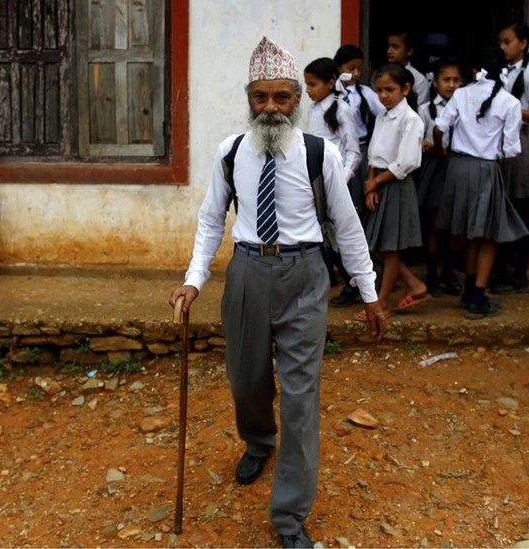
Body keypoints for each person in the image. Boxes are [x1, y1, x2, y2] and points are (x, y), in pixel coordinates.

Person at [169, 36, 386, 548]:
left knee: (301, 396)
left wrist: (369, 290)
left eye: (282, 97)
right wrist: (194, 279)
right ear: (249, 98)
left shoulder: (320, 153)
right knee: (246, 381)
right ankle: (259, 442)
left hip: (305, 276)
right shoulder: (231, 151)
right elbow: (210, 222)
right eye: (260, 97)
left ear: (296, 100)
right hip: (246, 273)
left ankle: (289, 516)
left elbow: (348, 225)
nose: (270, 108)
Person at [433, 48, 527, 319]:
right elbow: (511, 150)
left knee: (471, 234)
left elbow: (440, 127)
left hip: (458, 167)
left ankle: (468, 292)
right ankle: (477, 298)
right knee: (487, 237)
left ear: (474, 72)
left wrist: (444, 152)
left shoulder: (461, 94)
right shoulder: (509, 103)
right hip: (486, 169)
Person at [354, 63, 428, 320]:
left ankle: (382, 302)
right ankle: (416, 285)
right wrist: (370, 183)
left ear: (405, 89)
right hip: (380, 183)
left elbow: (407, 162)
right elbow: (375, 153)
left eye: (390, 90)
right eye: (379, 90)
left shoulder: (411, 120)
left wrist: (376, 183)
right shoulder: (383, 116)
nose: (383, 95)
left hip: (396, 185)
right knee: (376, 245)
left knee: (390, 248)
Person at [492, 22, 529, 294]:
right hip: (502, 143)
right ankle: (501, 270)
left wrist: (509, 109)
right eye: (501, 42)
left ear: (523, 43)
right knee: (503, 207)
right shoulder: (504, 72)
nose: (503, 47)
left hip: (521, 144)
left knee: (520, 206)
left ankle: (520, 273)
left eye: (507, 41)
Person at [331, 44, 385, 308]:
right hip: (335, 159)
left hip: (360, 156)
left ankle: (362, 280)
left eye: (358, 68)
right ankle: (348, 279)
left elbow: (385, 116)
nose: (354, 73)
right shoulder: (331, 96)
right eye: (349, 68)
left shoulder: (366, 94)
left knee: (357, 219)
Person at [304, 57, 363, 297]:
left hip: (337, 182)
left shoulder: (341, 109)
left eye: (313, 85)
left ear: (330, 83)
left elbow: (354, 153)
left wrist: (341, 179)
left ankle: (355, 285)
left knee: (342, 234)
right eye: (306, 84)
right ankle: (344, 281)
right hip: (318, 181)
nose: (308, 90)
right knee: (326, 233)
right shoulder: (314, 108)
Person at [416, 57, 464, 297]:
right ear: (435, 82)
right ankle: (432, 273)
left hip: (457, 165)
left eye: (456, 80)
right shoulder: (426, 109)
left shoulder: (467, 106)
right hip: (435, 168)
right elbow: (415, 137)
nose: (452, 85)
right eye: (447, 80)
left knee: (456, 224)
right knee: (435, 222)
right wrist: (423, 144)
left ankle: (450, 271)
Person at [386, 31, 430, 104]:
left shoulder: (419, 80)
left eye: (395, 47)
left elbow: (421, 109)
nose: (389, 51)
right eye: (388, 47)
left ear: (409, 51)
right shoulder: (382, 74)